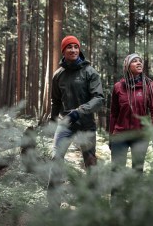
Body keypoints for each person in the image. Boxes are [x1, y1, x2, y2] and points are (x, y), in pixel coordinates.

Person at [49, 35, 104, 189]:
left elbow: (99, 99)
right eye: (69, 47)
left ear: (79, 50)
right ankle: (53, 206)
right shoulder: (58, 75)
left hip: (86, 123)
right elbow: (56, 101)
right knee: (55, 158)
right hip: (65, 124)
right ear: (63, 50)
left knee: (91, 163)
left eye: (76, 47)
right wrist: (52, 121)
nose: (73, 50)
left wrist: (79, 111)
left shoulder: (90, 72)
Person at [109, 53, 153, 175]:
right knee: (116, 171)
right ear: (127, 66)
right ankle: (117, 195)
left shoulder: (149, 85)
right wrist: (110, 137)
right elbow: (113, 114)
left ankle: (135, 194)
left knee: (137, 171)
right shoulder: (118, 87)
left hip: (140, 135)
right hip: (120, 135)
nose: (139, 63)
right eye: (134, 61)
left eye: (140, 61)